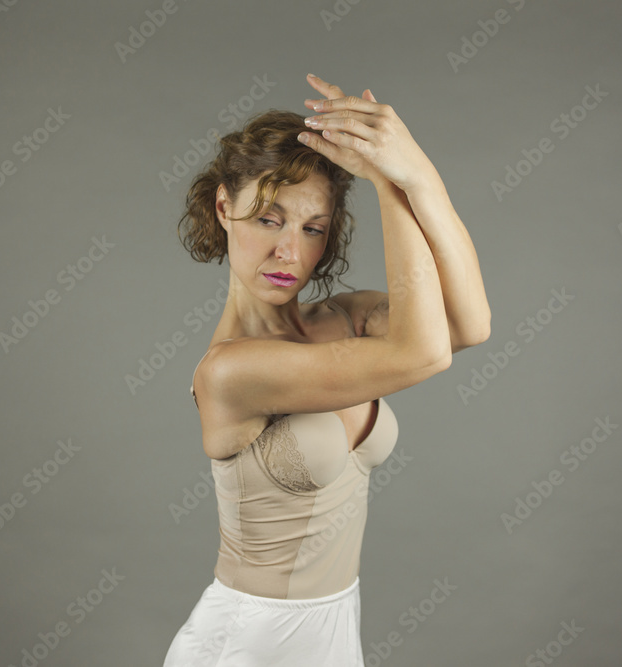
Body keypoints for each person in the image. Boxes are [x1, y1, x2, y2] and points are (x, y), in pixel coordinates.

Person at [164, 74, 491, 666]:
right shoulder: (229, 372)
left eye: (312, 228)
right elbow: (424, 353)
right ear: (223, 206)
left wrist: (417, 175)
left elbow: (468, 326)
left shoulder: (346, 318)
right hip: (248, 644)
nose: (290, 250)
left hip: (335, 631)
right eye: (269, 218)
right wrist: (389, 183)